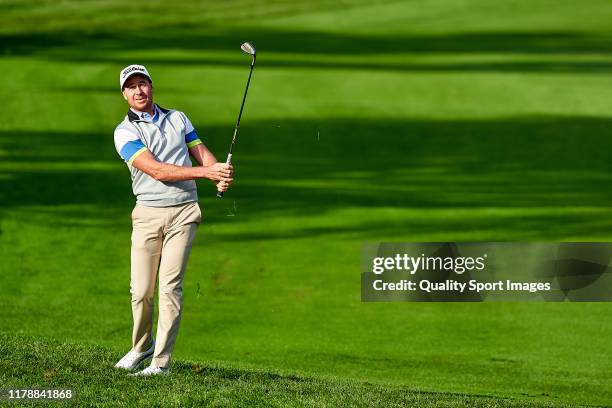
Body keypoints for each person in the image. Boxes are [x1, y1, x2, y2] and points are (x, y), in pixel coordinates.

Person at [112, 64, 233, 376]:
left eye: (143, 84)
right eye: (131, 86)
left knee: (169, 288)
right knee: (140, 291)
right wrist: (207, 173)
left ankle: (161, 363)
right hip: (147, 215)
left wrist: (217, 171)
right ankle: (142, 346)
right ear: (124, 94)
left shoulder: (178, 118)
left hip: (184, 212)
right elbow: (157, 170)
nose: (139, 91)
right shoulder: (125, 131)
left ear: (152, 87)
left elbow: (200, 151)